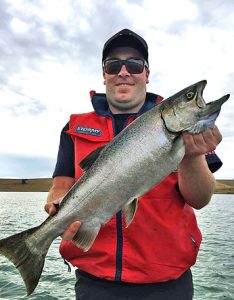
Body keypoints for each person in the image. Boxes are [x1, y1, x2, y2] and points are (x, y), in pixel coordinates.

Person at [45, 29, 223, 300]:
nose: (124, 71)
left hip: (167, 284)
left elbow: (199, 199)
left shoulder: (191, 130)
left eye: (135, 64)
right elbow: (61, 185)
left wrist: (193, 155)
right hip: (94, 282)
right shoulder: (73, 128)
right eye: (114, 65)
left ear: (146, 74)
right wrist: (57, 207)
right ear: (104, 74)